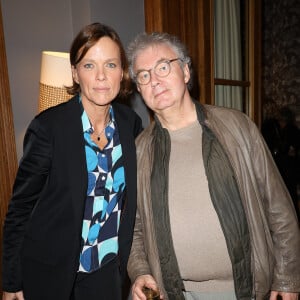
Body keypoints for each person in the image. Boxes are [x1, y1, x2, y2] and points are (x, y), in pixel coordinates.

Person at [126, 32, 300, 300]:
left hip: (244, 291)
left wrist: (287, 279)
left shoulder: (237, 127)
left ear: (185, 71)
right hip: (174, 293)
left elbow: (278, 209)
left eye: (163, 67)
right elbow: (134, 227)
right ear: (139, 88)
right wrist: (139, 270)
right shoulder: (139, 150)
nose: (155, 80)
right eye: (144, 75)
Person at [2, 22, 142, 300]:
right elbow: (20, 209)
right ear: (75, 74)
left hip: (106, 271)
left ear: (122, 73)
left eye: (111, 65)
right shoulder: (48, 128)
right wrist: (10, 281)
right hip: (50, 271)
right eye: (89, 65)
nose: (101, 76)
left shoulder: (130, 125)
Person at [262, 106, 300, 221]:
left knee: (290, 193)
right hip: (276, 164)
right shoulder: (270, 127)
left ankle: (292, 218)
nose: (282, 123)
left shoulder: (293, 130)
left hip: (289, 167)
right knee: (275, 193)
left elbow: (296, 147)